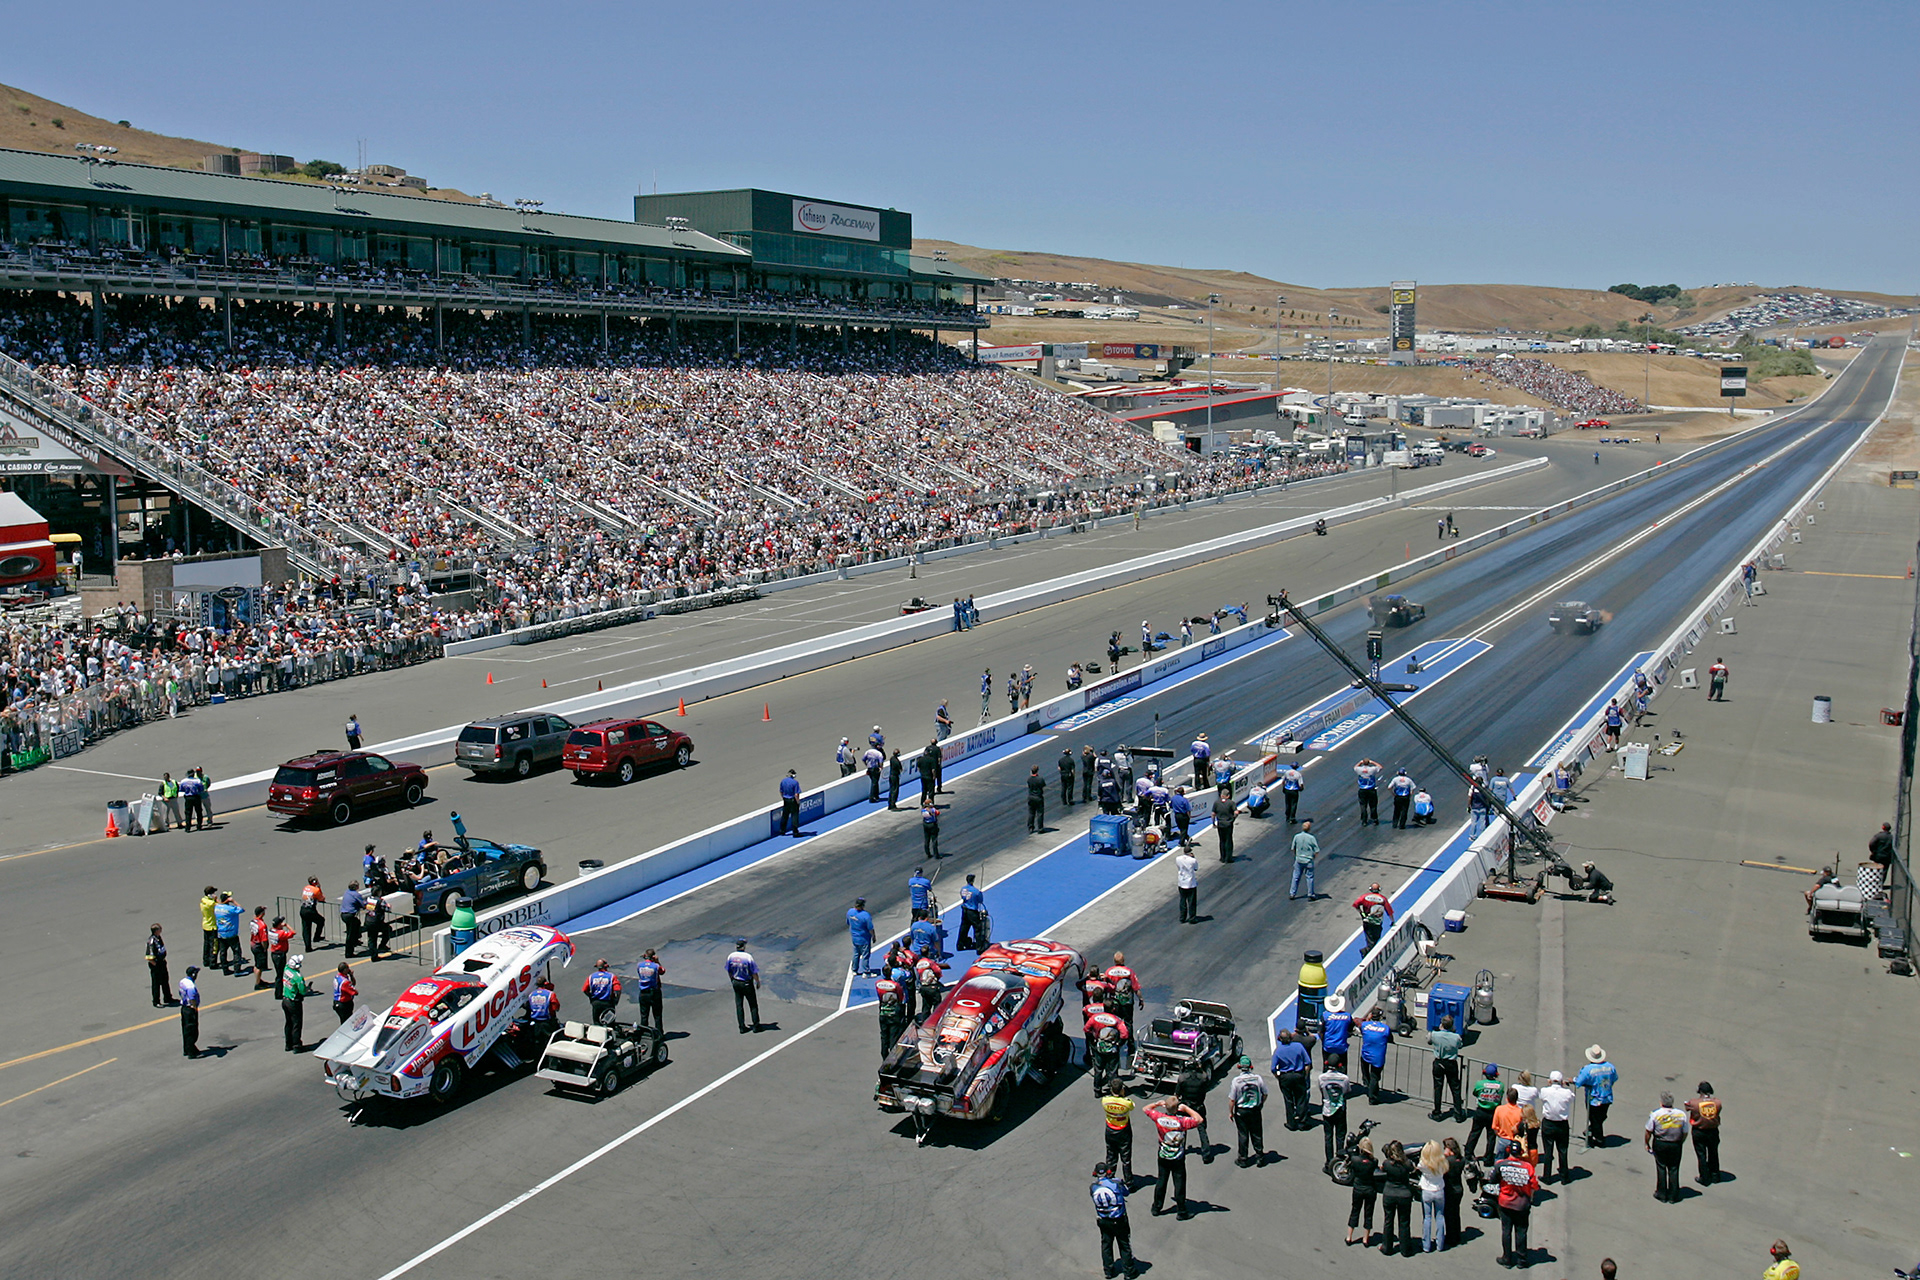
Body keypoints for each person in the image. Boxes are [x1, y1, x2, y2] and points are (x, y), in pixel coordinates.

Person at [1144, 1097, 1202, 1218]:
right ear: (1177, 1108)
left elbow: (1146, 1109)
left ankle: (1156, 1207)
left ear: (1166, 1106)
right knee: (1179, 1183)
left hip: (1163, 1155)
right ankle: (1181, 1211)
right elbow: (1199, 1119)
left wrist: (1157, 1104)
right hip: (1178, 1158)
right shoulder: (1182, 1122)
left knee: (1161, 1181)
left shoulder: (1159, 1118)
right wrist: (1186, 1108)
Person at [1493, 1137, 1539, 1267]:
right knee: (1521, 1232)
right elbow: (1534, 1186)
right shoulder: (1528, 1167)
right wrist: (1530, 1198)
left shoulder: (1501, 1164)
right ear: (1520, 1152)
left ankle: (1507, 1259)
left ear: (1509, 1151)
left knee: (1506, 1231)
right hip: (1522, 1204)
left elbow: (1493, 1180)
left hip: (1505, 1202)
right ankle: (1521, 1260)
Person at [1090, 1161, 1139, 1280]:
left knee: (1106, 1244)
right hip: (1119, 1219)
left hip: (1103, 1220)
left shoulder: (1093, 1187)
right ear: (1108, 1172)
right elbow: (1126, 1192)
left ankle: (1108, 1270)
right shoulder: (1116, 1183)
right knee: (1124, 1244)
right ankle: (1128, 1271)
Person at [1645, 1091, 1690, 1202]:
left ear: (1661, 1102)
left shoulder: (1656, 1114)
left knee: (1661, 1167)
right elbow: (1685, 1132)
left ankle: (1661, 1193)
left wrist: (1647, 1143)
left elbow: (1649, 1130)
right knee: (1674, 1168)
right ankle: (1673, 1195)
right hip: (1675, 1144)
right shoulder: (1681, 1114)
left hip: (1660, 1143)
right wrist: (1680, 1142)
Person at [1226, 1055, 1268, 1166]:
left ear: (1239, 1066)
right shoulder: (1258, 1078)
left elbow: (1232, 1099)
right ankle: (1260, 1157)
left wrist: (1230, 1112)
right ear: (1250, 1066)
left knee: (1243, 1135)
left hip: (1241, 1111)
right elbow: (1265, 1093)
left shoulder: (1236, 1081)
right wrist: (1260, 1104)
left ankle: (1243, 1159)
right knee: (1257, 1134)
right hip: (1255, 1110)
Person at [1377, 1138, 1415, 1257]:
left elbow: (1382, 1169)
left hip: (1390, 1193)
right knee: (1404, 1222)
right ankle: (1405, 1249)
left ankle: (1387, 1247)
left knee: (1388, 1220)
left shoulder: (1387, 1163)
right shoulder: (1407, 1163)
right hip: (1404, 1194)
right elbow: (1413, 1169)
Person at [1576, 1044, 1619, 1148]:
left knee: (1595, 1119)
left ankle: (1599, 1138)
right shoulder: (1610, 1067)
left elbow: (1579, 1082)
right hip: (1607, 1097)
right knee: (1602, 1116)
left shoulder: (1587, 1069)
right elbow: (1614, 1078)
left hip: (1593, 1099)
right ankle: (1592, 1130)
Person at [1537, 1069, 1577, 1182]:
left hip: (1549, 1123)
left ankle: (1547, 1176)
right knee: (1563, 1150)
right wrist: (1565, 1087)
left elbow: (1541, 1096)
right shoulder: (1567, 1093)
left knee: (1548, 1151)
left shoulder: (1545, 1091)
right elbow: (1572, 1098)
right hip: (1562, 1124)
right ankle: (1565, 1176)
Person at [1270, 1027, 1312, 1129]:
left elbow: (1273, 1068)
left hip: (1285, 1076)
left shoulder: (1278, 1051)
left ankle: (1291, 1123)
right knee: (1301, 1099)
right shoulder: (1299, 1047)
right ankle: (1302, 1122)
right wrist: (1305, 1075)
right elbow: (1308, 1063)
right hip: (1298, 1075)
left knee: (1288, 1100)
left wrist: (1278, 1077)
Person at [1318, 1054, 1352, 1173]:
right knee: (1340, 1137)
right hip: (1340, 1110)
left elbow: (1321, 1090)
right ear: (1339, 1065)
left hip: (1327, 1110)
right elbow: (1347, 1091)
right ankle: (1339, 1161)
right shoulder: (1344, 1078)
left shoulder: (1322, 1078)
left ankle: (1328, 1163)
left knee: (1328, 1137)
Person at [1685, 1081, 1723, 1186]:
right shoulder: (1717, 1102)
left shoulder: (1693, 1102)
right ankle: (1715, 1175)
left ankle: (1704, 1177)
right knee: (1713, 1152)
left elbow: (1687, 1107)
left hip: (1699, 1131)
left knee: (1701, 1154)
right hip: (1713, 1130)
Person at [1086, 1007, 1130, 1095]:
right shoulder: (1117, 1020)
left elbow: (1086, 1029)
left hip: (1099, 1049)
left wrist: (1093, 1041)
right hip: (1112, 1050)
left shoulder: (1095, 1018)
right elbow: (1125, 1034)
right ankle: (1113, 1090)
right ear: (1113, 1009)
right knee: (1112, 1071)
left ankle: (1097, 1090)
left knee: (1098, 1070)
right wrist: (1119, 1044)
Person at [1176, 1062, 1214, 1163]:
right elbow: (1206, 1088)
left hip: (1186, 1106)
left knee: (1182, 1130)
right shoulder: (1203, 1077)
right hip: (1198, 1106)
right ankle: (1206, 1154)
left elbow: (1177, 1093)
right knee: (1202, 1130)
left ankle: (1180, 1151)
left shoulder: (1183, 1078)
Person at [1100, 1081, 1137, 1183]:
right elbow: (1132, 1106)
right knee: (1126, 1158)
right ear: (1122, 1089)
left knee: (1111, 1155)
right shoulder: (1127, 1103)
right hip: (1123, 1131)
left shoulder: (1105, 1101)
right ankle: (1129, 1182)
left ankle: (1109, 1177)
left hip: (1110, 1130)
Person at [1345, 1135, 1379, 1246]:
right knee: (1368, 1213)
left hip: (1358, 1188)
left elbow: (1349, 1167)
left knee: (1355, 1210)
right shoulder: (1374, 1161)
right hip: (1370, 1189)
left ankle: (1349, 1237)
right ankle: (1365, 1239)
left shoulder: (1355, 1159)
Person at [1428, 1013, 1463, 1118]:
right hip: (1451, 1063)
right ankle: (1458, 1113)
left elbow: (1429, 1040)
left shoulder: (1434, 1034)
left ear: (1441, 1024)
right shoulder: (1456, 1037)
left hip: (1439, 1062)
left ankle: (1437, 1112)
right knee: (1455, 1088)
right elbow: (1460, 1045)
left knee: (1438, 1088)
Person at [1468, 1063, 1504, 1160]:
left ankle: (1468, 1154)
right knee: (1491, 1136)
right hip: (1493, 1113)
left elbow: (1475, 1093)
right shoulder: (1500, 1085)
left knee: (1475, 1133)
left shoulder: (1480, 1084)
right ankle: (1488, 1158)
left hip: (1480, 1111)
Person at [1417, 1139, 1448, 1253]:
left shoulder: (1423, 1164)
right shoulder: (1442, 1162)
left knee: (1427, 1218)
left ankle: (1426, 1245)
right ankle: (1440, 1244)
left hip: (1427, 1191)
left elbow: (1418, 1167)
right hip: (1439, 1190)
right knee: (1440, 1217)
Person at [1358, 1006, 1392, 1103]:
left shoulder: (1365, 1025)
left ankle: (1367, 1082)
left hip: (1366, 1054)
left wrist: (1368, 1020)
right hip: (1378, 1057)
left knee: (1366, 1069)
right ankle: (1372, 1097)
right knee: (1375, 1076)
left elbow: (1362, 1029)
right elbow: (1390, 1038)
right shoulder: (1385, 1028)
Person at [726, 940, 761, 1032]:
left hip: (736, 982)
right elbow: (754, 972)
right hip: (746, 983)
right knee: (753, 1004)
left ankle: (741, 1026)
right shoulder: (748, 957)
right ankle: (756, 1025)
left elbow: (729, 970)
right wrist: (757, 982)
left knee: (739, 1004)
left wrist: (732, 980)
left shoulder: (731, 956)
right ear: (743, 947)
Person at [1103, 953, 1140, 1036]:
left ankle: (1116, 1041)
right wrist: (1141, 999)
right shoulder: (1129, 972)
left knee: (1113, 1022)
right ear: (1123, 960)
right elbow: (1136, 987)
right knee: (1128, 1023)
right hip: (1127, 1002)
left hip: (1113, 1002)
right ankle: (1130, 1045)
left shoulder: (1109, 971)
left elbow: (1104, 986)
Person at [280, 955, 312, 1052]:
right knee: (296, 1023)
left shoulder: (286, 969)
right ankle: (296, 1045)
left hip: (285, 1000)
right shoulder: (298, 977)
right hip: (294, 1002)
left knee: (288, 1022)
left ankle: (288, 1044)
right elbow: (302, 991)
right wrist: (307, 989)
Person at [1441, 1135, 1466, 1251]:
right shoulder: (1461, 1159)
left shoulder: (1447, 1161)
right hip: (1459, 1189)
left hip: (1449, 1190)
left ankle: (1450, 1238)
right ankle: (1457, 1235)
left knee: (1449, 1214)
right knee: (1456, 1213)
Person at [875, 966, 908, 1055]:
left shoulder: (878, 983)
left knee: (884, 1036)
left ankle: (884, 1054)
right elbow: (900, 997)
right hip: (893, 1013)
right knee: (894, 1035)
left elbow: (880, 996)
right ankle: (893, 1055)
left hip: (883, 1012)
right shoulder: (895, 985)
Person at [1352, 883, 1393, 953]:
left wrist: (1362, 913)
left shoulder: (1364, 897)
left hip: (1367, 921)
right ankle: (1366, 951)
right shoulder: (1383, 899)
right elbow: (1389, 911)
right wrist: (1392, 921)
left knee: (1369, 938)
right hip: (1377, 922)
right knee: (1375, 938)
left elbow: (1356, 904)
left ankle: (1367, 951)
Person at [632, 949, 665, 1032]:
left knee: (644, 1015)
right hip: (654, 992)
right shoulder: (656, 966)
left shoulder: (639, 965)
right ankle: (659, 1033)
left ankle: (643, 1032)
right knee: (657, 1015)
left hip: (643, 993)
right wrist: (657, 961)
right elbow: (662, 971)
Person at [584, 958, 622, 1025]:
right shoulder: (611, 976)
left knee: (596, 1023)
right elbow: (618, 989)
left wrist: (591, 997)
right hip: (608, 1003)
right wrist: (616, 1000)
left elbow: (585, 989)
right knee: (609, 1023)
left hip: (596, 1003)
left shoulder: (591, 977)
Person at [213, 892, 242, 975]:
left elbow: (220, 904)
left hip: (221, 933)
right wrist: (233, 901)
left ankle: (225, 969)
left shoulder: (217, 908)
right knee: (236, 951)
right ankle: (237, 970)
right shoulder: (231, 909)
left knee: (223, 952)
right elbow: (241, 909)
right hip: (231, 933)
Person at [1290, 819, 1320, 900]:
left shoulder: (1297, 836)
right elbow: (1317, 850)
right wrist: (1313, 857)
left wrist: (1296, 855)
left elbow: (1293, 848)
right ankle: (1310, 894)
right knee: (1309, 878)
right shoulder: (1311, 838)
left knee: (1296, 877)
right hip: (1308, 860)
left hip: (1299, 859)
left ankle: (1292, 893)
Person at [146, 923, 174, 1008]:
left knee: (165, 980)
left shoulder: (158, 938)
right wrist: (156, 965)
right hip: (156, 964)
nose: (161, 931)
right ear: (156, 931)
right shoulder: (151, 941)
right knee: (156, 983)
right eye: (159, 929)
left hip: (162, 962)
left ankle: (168, 997)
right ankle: (156, 1001)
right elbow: (149, 957)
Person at [525, 977, 560, 1044]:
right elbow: (556, 1008)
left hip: (535, 1022)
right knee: (551, 1040)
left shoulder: (531, 994)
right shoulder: (550, 994)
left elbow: (528, 1007)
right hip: (547, 1022)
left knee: (537, 1041)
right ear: (545, 983)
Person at [956, 877, 986, 952]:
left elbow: (963, 897)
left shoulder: (963, 889)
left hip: (964, 910)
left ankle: (960, 945)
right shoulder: (976, 891)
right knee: (978, 929)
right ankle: (980, 948)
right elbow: (980, 901)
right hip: (972, 912)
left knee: (964, 928)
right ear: (973, 880)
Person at [339, 881, 367, 959]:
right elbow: (363, 904)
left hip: (344, 914)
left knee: (357, 923)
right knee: (350, 935)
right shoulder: (356, 894)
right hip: (349, 915)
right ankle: (348, 953)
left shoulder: (347, 892)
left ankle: (356, 939)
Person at [178, 965, 201, 1057]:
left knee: (185, 1030)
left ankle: (186, 1049)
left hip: (184, 1007)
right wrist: (194, 1008)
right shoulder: (191, 986)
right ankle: (191, 1052)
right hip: (190, 1009)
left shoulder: (183, 981)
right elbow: (192, 999)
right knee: (192, 1031)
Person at [846, 898, 874, 975]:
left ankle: (854, 970)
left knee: (856, 954)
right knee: (865, 955)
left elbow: (848, 923)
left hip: (854, 937)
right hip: (864, 938)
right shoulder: (865, 915)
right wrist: (873, 937)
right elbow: (870, 928)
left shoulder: (850, 912)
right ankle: (866, 972)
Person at [299, 877, 327, 950]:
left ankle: (308, 947)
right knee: (321, 921)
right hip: (310, 910)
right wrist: (319, 888)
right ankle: (316, 937)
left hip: (303, 909)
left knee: (306, 928)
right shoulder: (316, 890)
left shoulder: (306, 888)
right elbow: (322, 898)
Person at [1354, 757, 1383, 826]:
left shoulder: (1359, 769)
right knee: (1373, 805)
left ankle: (1364, 821)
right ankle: (1374, 819)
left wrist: (1360, 762)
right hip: (1371, 789)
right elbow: (1380, 767)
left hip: (1362, 790)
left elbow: (1355, 767)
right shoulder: (1372, 769)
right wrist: (1372, 762)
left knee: (1363, 806)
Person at [1174, 844, 1199, 923]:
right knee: (1191, 901)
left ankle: (1182, 917)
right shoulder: (1192, 860)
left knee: (1183, 900)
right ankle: (1192, 918)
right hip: (1190, 883)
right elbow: (1196, 868)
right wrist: (1193, 857)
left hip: (1181, 882)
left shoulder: (1178, 859)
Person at [267, 915, 293, 989]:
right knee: (280, 974)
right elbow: (293, 932)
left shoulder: (271, 930)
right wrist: (287, 925)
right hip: (279, 954)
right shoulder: (280, 933)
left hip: (274, 953)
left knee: (280, 973)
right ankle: (279, 992)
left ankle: (280, 990)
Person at [199, 886, 220, 969]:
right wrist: (216, 899)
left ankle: (206, 960)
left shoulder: (203, 901)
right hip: (212, 927)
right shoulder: (211, 904)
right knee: (214, 945)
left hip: (205, 925)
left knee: (206, 944)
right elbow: (220, 907)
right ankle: (213, 962)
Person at [778, 769, 802, 836]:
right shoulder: (795, 782)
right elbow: (796, 794)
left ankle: (782, 830)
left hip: (786, 800)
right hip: (792, 800)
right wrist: (798, 802)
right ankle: (795, 832)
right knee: (794, 816)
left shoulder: (783, 781)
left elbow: (781, 791)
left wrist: (784, 798)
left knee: (785, 815)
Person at [1026, 765, 1047, 833]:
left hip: (1031, 797)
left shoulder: (1029, 779)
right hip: (1038, 797)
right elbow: (1043, 785)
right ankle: (1040, 828)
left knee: (1031, 813)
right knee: (1040, 813)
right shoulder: (1040, 779)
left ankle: (1030, 827)